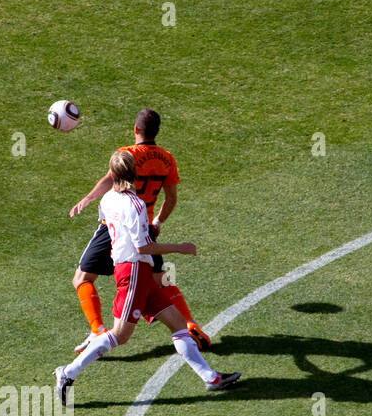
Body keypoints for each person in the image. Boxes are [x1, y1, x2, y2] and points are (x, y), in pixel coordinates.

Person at [53, 151, 240, 403]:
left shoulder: (107, 199)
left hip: (136, 270)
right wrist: (179, 247)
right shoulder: (137, 205)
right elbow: (142, 247)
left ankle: (211, 378)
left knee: (177, 324)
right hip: (133, 272)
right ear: (135, 174)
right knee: (120, 335)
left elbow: (111, 227)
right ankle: (67, 373)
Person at [68, 108, 210, 353]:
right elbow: (172, 197)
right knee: (160, 281)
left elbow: (109, 179)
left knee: (82, 278)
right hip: (146, 226)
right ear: (157, 131)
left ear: (135, 129)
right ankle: (189, 323)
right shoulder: (167, 158)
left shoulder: (128, 154)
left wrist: (89, 198)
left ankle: (98, 331)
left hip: (116, 227)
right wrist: (157, 224)